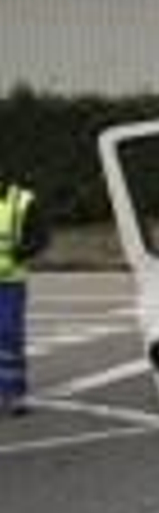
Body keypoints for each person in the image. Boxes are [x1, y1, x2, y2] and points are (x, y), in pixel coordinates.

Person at [0, 177, 49, 417]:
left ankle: (14, 395)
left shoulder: (22, 201)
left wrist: (19, 254)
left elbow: (40, 238)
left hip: (10, 282)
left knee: (9, 335)